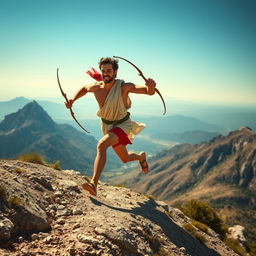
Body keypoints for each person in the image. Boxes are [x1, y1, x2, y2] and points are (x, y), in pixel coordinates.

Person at [65, 57, 156, 196]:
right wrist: (72, 99)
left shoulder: (123, 87)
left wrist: (150, 86)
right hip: (107, 126)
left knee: (102, 145)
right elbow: (84, 88)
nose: (106, 73)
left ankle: (93, 184)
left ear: (115, 72)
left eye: (109, 70)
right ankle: (141, 157)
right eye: (103, 71)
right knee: (125, 158)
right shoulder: (97, 87)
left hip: (122, 125)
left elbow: (148, 91)